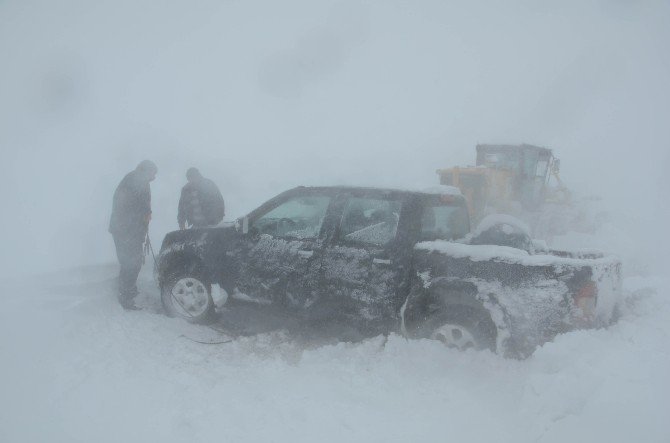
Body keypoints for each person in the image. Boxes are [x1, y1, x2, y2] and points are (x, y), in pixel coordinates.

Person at [108, 160, 157, 310]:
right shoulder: (137, 179)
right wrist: (145, 214)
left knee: (131, 261)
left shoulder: (134, 178)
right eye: (153, 173)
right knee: (131, 262)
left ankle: (128, 290)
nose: (153, 177)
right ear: (146, 170)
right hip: (127, 230)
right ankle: (125, 296)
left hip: (126, 228)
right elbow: (135, 204)